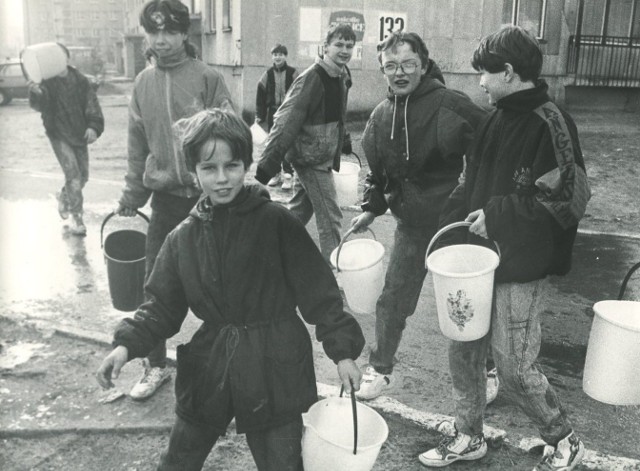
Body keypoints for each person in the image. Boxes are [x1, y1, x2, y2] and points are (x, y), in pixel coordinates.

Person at [96, 108, 364, 471]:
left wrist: (343, 352)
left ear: (247, 165)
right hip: (212, 361)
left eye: (232, 166)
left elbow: (320, 293)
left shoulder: (277, 223)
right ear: (193, 173)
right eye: (209, 169)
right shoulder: (183, 238)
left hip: (275, 363)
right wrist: (125, 346)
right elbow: (160, 306)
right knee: (179, 459)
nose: (222, 178)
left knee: (282, 463)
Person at [419, 26, 590, 469]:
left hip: (523, 265)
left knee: (513, 367)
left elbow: (569, 200)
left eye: (485, 73)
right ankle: (468, 435)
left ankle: (564, 438)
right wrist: (447, 227)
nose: (480, 82)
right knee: (465, 350)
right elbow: (469, 181)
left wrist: (498, 214)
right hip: (478, 262)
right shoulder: (495, 116)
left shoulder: (552, 121)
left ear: (509, 72)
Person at [349, 31, 487, 400]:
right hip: (410, 227)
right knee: (392, 300)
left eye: (409, 64)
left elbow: (490, 146)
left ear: (424, 66)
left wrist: (476, 197)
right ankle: (380, 371)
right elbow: (377, 176)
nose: (400, 72)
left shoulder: (450, 105)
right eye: (390, 66)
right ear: (382, 71)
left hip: (453, 228)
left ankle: (486, 373)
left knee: (463, 306)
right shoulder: (380, 117)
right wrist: (370, 207)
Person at [115, 0, 234, 401]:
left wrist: (227, 189)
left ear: (186, 34)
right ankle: (154, 366)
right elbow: (136, 145)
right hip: (164, 201)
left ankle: (228, 368)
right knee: (157, 287)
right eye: (154, 32)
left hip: (208, 203)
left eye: (170, 32)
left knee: (219, 286)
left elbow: (231, 136)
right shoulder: (142, 83)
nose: (161, 40)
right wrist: (133, 194)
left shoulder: (207, 77)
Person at [255, 24, 355, 265]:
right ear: (325, 47)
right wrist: (267, 165)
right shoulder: (313, 77)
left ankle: (265, 251)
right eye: (338, 45)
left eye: (349, 46)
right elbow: (285, 120)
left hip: (316, 154)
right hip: (311, 160)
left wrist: (344, 141)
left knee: (298, 212)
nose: (344, 50)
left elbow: (336, 115)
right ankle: (331, 276)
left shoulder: (341, 75)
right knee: (331, 219)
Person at [28, 43, 104, 236]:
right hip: (58, 135)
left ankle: (65, 196)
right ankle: (77, 217)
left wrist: (93, 127)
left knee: (83, 176)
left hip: (79, 134)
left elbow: (91, 104)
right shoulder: (47, 82)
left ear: (66, 58)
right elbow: (39, 106)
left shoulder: (80, 80)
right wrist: (35, 94)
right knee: (74, 177)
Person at [255, 43, 298, 190]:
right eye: (275, 54)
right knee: (273, 144)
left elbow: (300, 93)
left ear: (285, 56)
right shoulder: (267, 75)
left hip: (289, 114)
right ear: (272, 56)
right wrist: (259, 115)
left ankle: (288, 175)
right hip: (273, 114)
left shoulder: (293, 73)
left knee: (286, 144)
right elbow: (260, 96)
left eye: (280, 54)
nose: (277, 57)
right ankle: (275, 174)